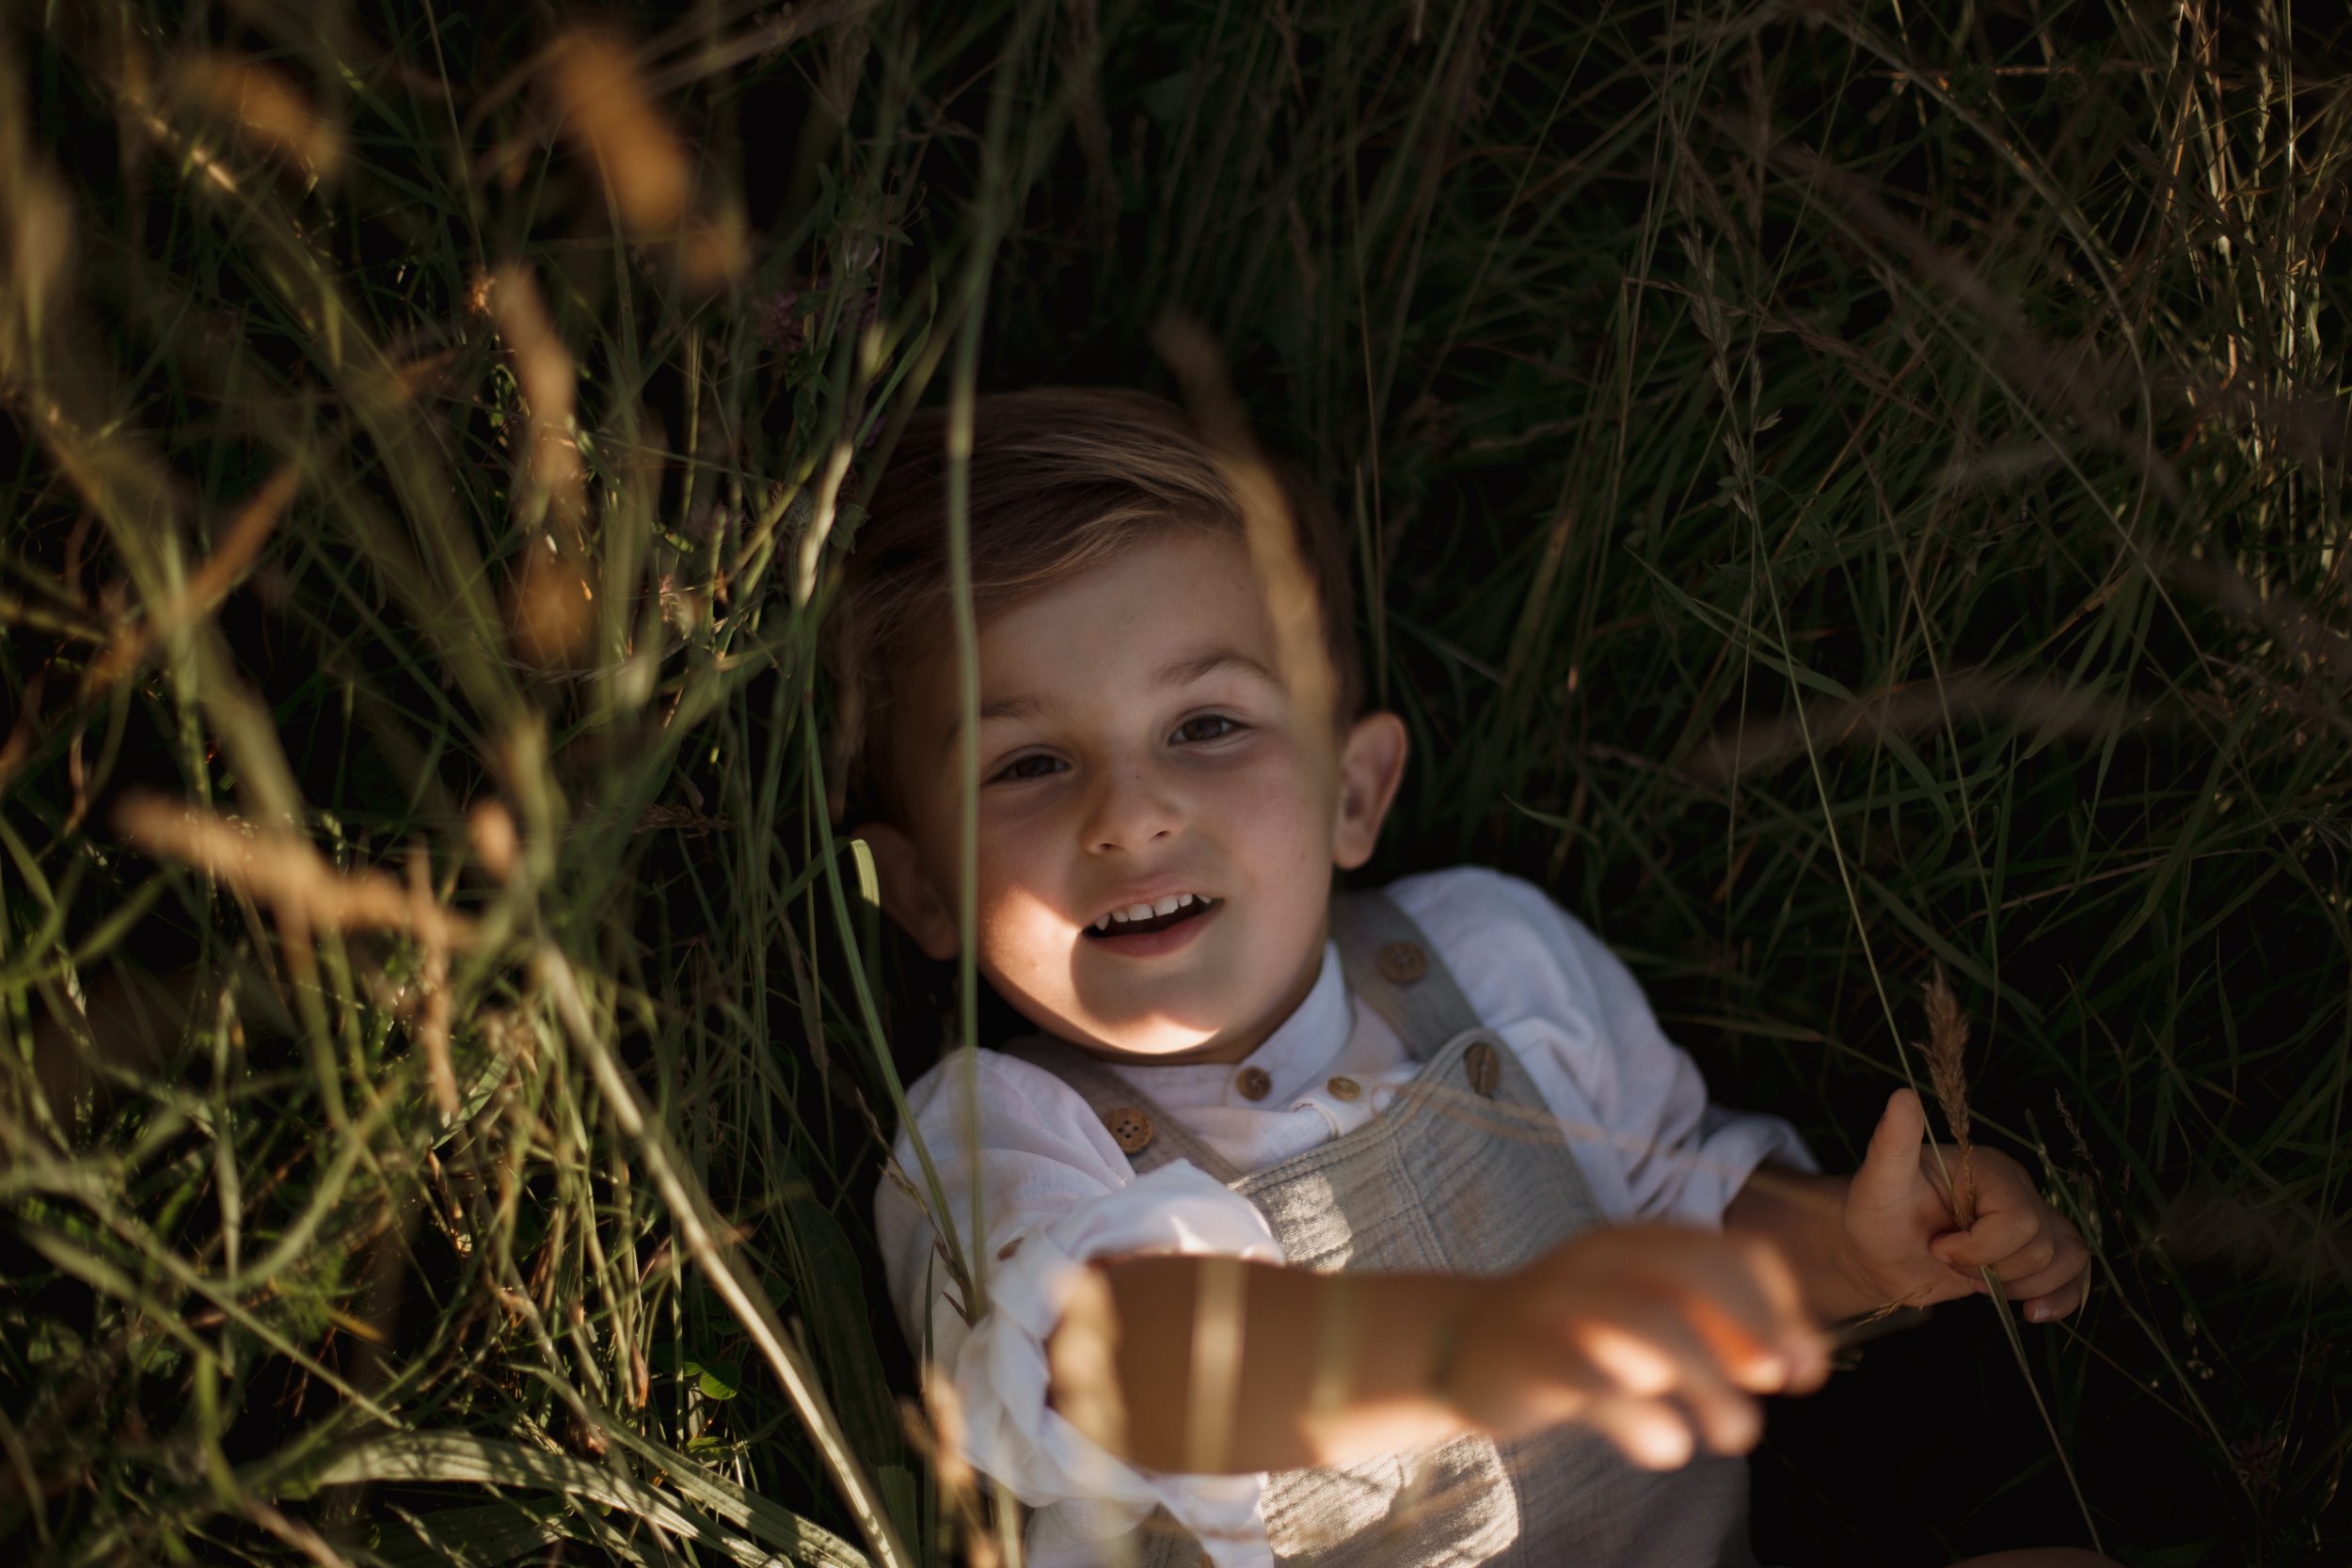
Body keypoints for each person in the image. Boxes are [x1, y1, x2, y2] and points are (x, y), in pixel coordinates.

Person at [834, 388, 2104, 1568]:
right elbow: (1119, 1363)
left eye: (1205, 726)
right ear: (925, 890)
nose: (1133, 813)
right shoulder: (999, 1133)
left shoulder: (1491, 962)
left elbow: (1681, 1220)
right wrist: (1467, 1349)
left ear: (1352, 790)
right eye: (1028, 766)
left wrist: (1856, 1250)